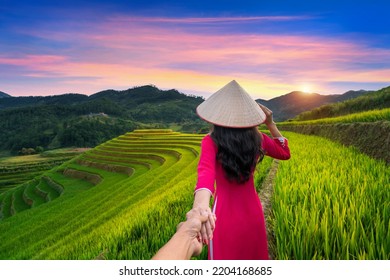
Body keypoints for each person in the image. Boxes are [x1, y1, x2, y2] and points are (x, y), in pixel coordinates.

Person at [193, 80, 291, 260]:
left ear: (218, 114)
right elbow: (284, 153)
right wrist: (271, 123)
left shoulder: (211, 140)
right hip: (252, 212)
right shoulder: (257, 138)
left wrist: (200, 206)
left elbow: (205, 173)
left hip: (223, 216)